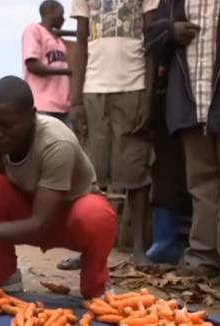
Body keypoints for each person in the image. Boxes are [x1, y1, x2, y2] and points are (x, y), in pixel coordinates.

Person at [0, 76, 116, 299]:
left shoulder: (56, 144)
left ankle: (97, 285)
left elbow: (40, 225)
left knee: (95, 214)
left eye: (7, 125)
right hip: (32, 213)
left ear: (32, 116)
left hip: (69, 220)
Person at [146, 0, 220, 297]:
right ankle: (202, 259)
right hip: (192, 107)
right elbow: (151, 37)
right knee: (201, 186)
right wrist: (171, 31)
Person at [57, 0, 159, 270]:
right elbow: (81, 45)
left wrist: (148, 100)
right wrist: (76, 100)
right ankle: (87, 248)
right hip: (93, 90)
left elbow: (152, 43)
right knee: (91, 175)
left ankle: (138, 250)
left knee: (135, 171)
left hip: (134, 87)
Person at [146, 64, 192, 265]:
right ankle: (165, 243)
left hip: (208, 96)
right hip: (164, 92)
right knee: (165, 170)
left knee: (203, 177)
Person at [22, 0, 71, 125]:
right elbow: (32, 65)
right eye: (62, 13)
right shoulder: (33, 30)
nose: (64, 19)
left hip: (64, 107)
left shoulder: (58, 41)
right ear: (51, 10)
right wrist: (68, 72)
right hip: (42, 106)